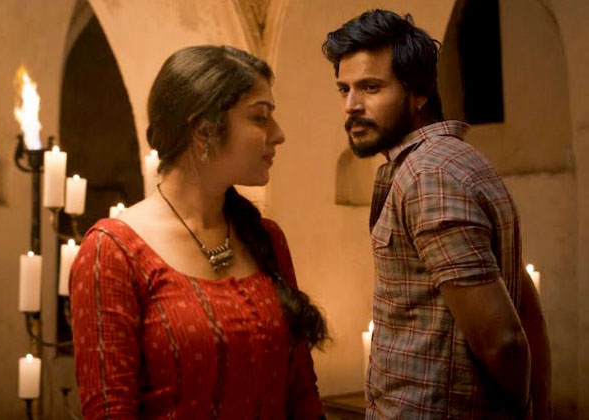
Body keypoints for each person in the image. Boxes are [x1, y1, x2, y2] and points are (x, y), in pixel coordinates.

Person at [69, 45, 328, 419]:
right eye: (260, 118)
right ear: (205, 131)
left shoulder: (266, 238)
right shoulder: (113, 251)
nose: (278, 134)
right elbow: (110, 411)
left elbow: (302, 393)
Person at [322, 10, 551, 419]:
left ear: (419, 93)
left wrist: (523, 411)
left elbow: (504, 341)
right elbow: (525, 304)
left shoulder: (429, 176)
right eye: (344, 89)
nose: (351, 106)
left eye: (371, 87)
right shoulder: (445, 161)